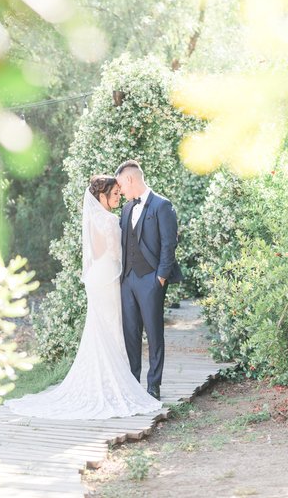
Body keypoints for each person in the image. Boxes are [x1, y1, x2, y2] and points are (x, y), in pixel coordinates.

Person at [5, 175, 161, 420]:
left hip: (97, 276)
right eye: (115, 194)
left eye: (120, 193)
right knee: (110, 328)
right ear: (102, 196)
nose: (119, 198)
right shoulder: (109, 220)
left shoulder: (92, 220)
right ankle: (113, 384)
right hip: (108, 275)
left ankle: (107, 380)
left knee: (100, 328)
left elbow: (95, 252)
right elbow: (115, 253)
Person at [115, 160, 182, 401]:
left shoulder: (162, 205)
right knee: (130, 333)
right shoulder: (125, 209)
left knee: (154, 333)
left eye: (121, 184)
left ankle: (154, 385)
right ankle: (133, 383)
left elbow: (169, 243)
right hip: (128, 280)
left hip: (151, 280)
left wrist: (161, 277)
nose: (120, 190)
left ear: (130, 180)